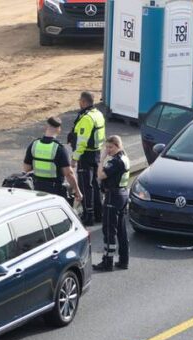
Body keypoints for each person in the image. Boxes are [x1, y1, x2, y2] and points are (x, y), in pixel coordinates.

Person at [23, 116, 83, 203]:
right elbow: (69, 173)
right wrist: (77, 191)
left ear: (46, 127)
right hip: (54, 190)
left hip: (37, 188)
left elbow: (26, 168)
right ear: (59, 129)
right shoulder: (59, 148)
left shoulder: (34, 145)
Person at [93, 136, 130, 272]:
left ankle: (107, 262)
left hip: (113, 196)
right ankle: (124, 260)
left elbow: (100, 175)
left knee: (109, 230)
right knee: (121, 230)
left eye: (110, 147)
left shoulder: (115, 161)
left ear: (118, 146)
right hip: (122, 195)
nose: (108, 150)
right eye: (107, 147)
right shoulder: (125, 157)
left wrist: (101, 160)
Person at [69, 91, 106, 226]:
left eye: (80, 100)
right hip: (96, 153)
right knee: (95, 185)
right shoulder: (98, 114)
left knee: (85, 186)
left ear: (84, 102)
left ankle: (88, 215)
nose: (79, 102)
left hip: (86, 155)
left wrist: (75, 158)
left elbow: (82, 141)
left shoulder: (86, 118)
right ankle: (98, 213)